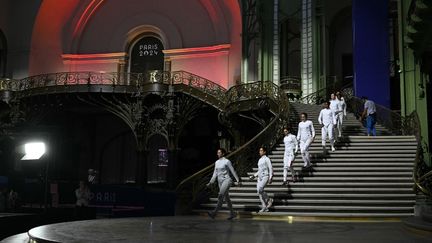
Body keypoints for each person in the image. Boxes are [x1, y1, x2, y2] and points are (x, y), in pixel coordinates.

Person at [206, 148, 240, 220]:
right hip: (220, 182)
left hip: (227, 180)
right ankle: (232, 213)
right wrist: (211, 182)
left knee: (220, 195)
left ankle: (214, 213)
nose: (218, 154)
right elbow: (215, 173)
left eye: (219, 152)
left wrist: (237, 179)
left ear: (223, 153)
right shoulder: (216, 162)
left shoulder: (227, 161)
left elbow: (232, 170)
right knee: (227, 198)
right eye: (217, 152)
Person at [249, 146, 273, 212]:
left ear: (264, 152)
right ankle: (264, 206)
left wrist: (270, 177)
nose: (260, 152)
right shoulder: (259, 160)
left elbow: (270, 168)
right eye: (260, 151)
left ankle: (269, 200)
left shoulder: (267, 159)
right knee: (259, 192)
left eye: (261, 150)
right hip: (259, 177)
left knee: (260, 189)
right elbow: (259, 170)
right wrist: (254, 176)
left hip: (265, 176)